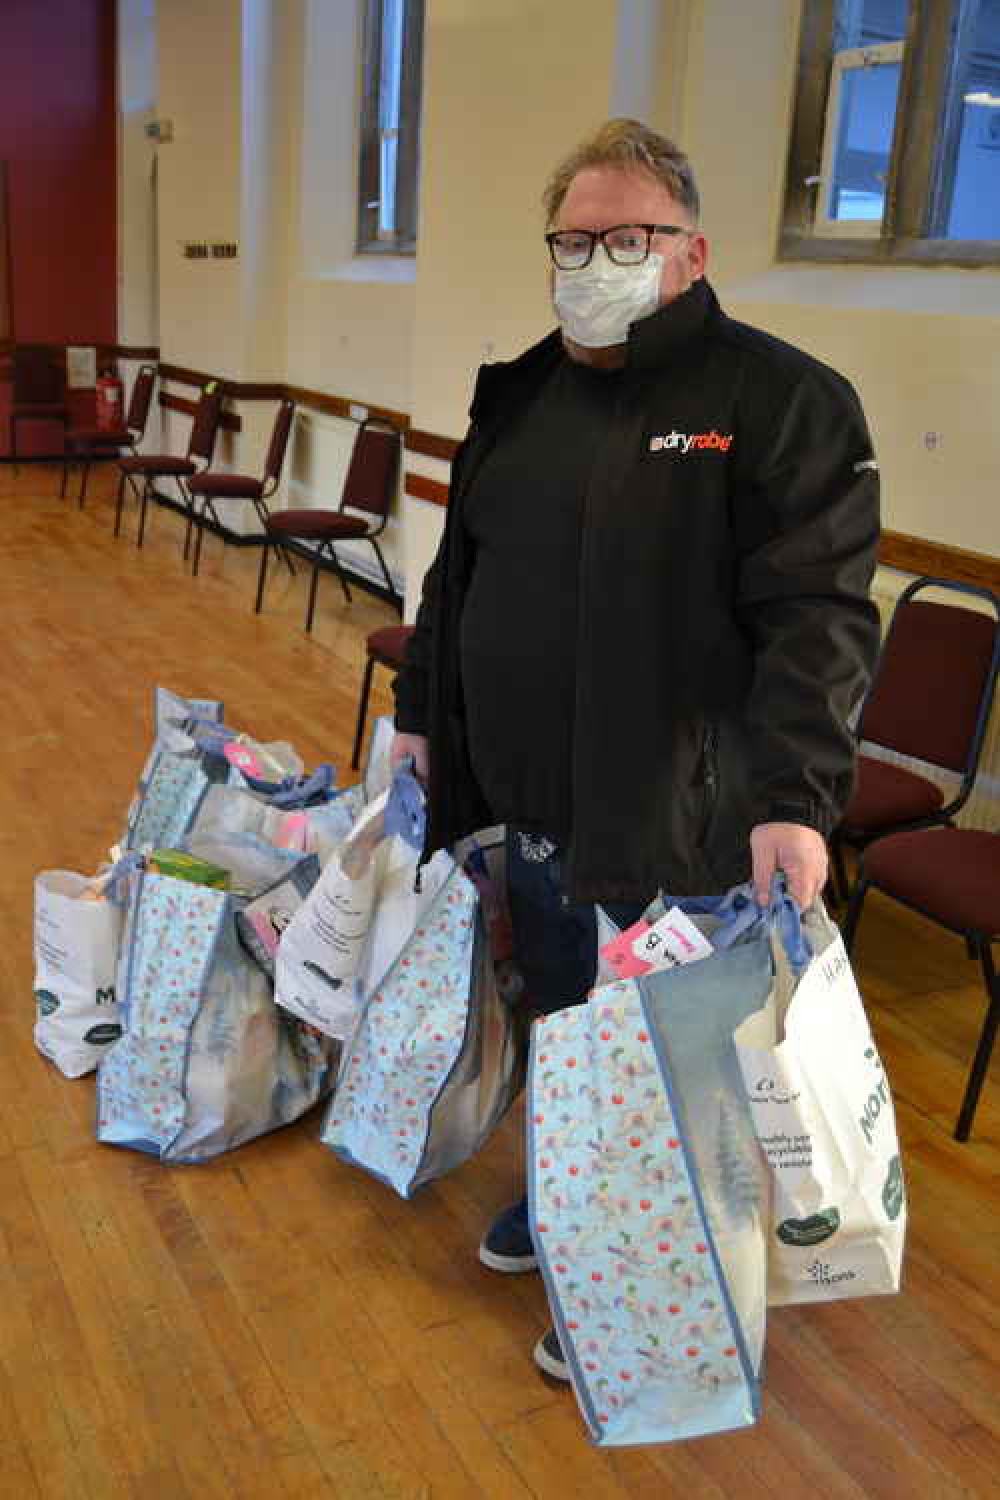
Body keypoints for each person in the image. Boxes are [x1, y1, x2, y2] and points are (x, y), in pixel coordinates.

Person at [390, 118, 880, 1381]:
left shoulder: (777, 401)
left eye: (627, 236)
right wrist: (419, 721)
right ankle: (566, 1209)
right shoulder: (525, 390)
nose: (594, 259)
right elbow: (460, 576)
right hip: (529, 808)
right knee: (563, 1030)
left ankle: (647, 1283)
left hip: (680, 822)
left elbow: (814, 619)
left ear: (691, 250)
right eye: (573, 237)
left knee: (668, 1067)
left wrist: (795, 799)